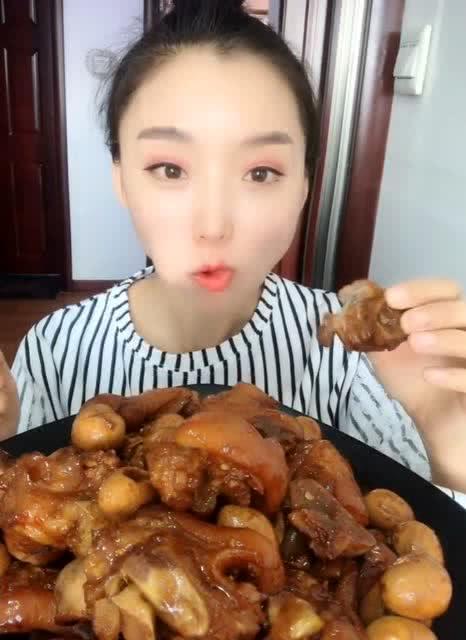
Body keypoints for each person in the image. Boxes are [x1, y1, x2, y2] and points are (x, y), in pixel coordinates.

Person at [0, 0, 465, 506]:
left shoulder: (352, 359)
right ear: (122, 181)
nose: (214, 226)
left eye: (261, 173)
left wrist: (449, 440)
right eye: (170, 170)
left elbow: (413, 532)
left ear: (304, 186)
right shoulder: (56, 351)